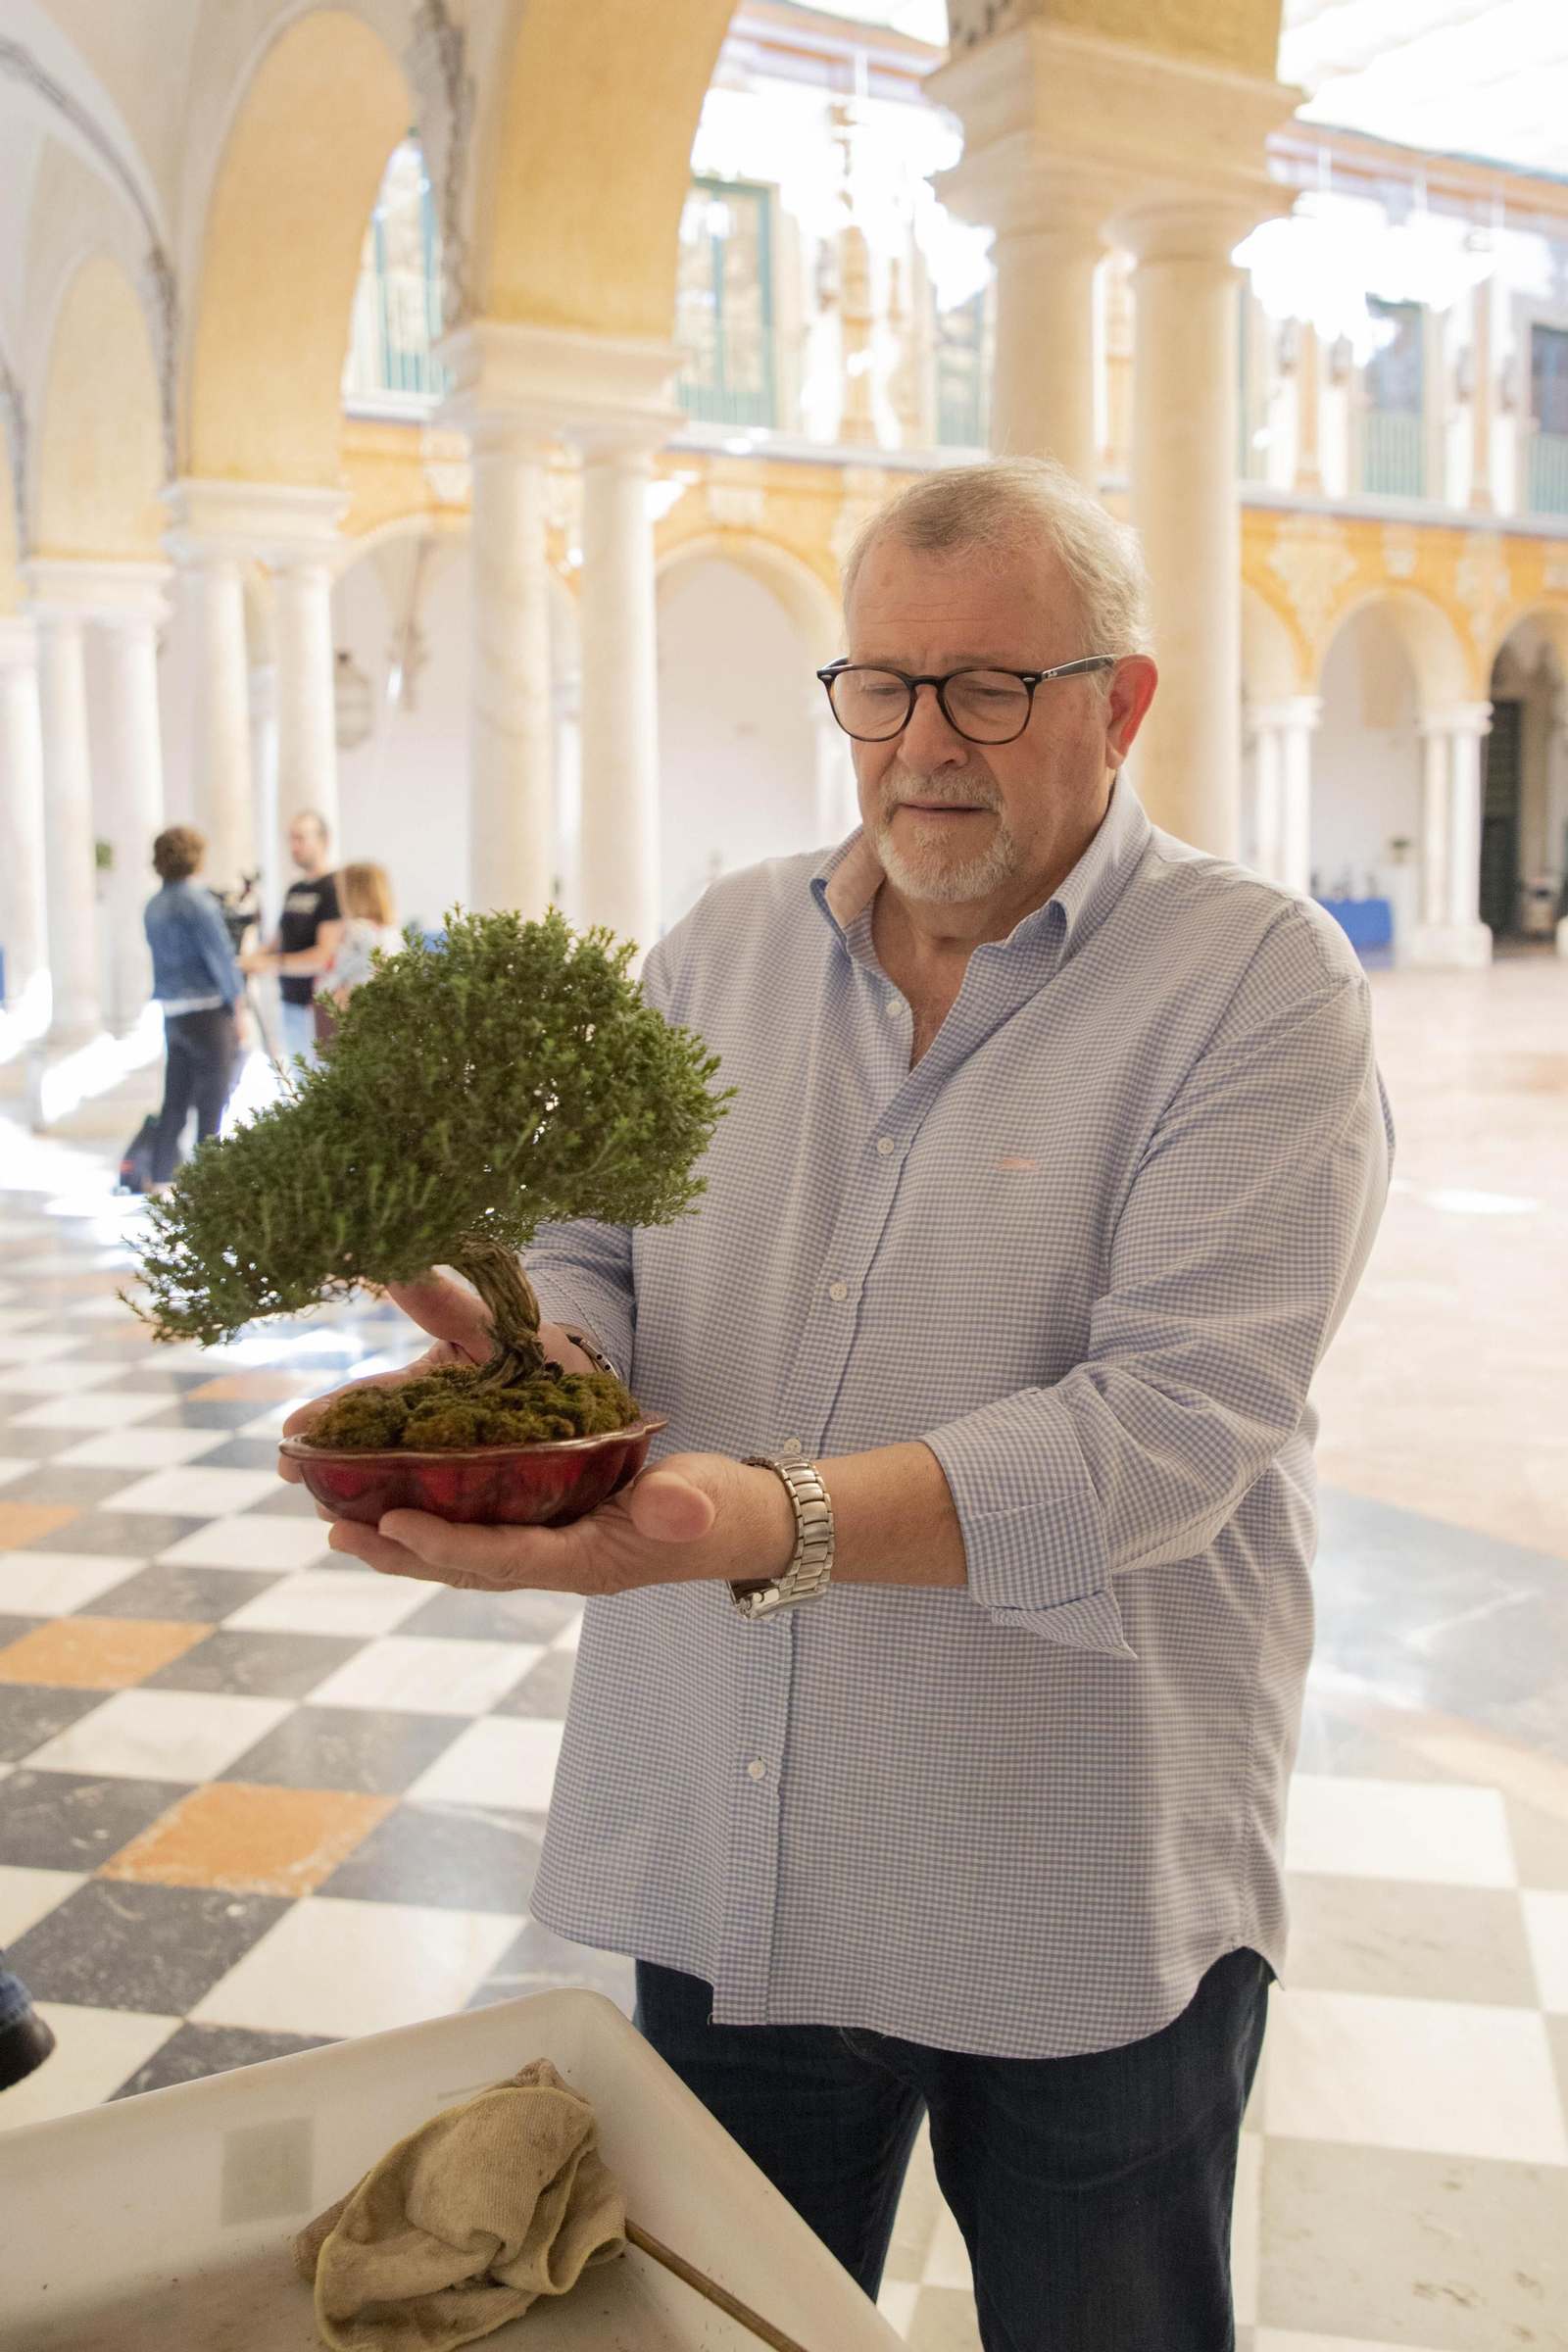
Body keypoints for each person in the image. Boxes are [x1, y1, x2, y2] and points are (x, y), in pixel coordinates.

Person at [286, 459, 1391, 2351]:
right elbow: (599, 1259)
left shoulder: (1249, 981)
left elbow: (1172, 1430)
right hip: (737, 1847)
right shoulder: (720, 948)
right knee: (729, 2330)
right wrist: (519, 1374)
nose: (921, 742)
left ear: (1116, 704)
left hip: (1066, 1874)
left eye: (988, 686)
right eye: (880, 683)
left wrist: (757, 1520)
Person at [143, 826, 243, 1188]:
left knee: (175, 1100)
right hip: (207, 1011)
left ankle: (160, 1182)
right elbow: (220, 957)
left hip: (173, 1012)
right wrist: (238, 1005)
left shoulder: (153, 906)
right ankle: (208, 1185)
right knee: (212, 1099)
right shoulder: (199, 902)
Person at [245, 811, 338, 1065]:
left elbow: (324, 956)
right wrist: (247, 960)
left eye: (301, 838)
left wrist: (271, 964)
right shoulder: (295, 889)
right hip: (290, 1003)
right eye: (291, 839)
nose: (293, 846)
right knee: (299, 1081)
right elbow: (277, 943)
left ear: (323, 841)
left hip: (319, 1007)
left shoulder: (333, 888)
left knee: (321, 1082)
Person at [311, 862, 402, 1045]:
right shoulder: (392, 932)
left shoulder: (355, 931)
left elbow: (334, 974)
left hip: (349, 1022)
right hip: (383, 1024)